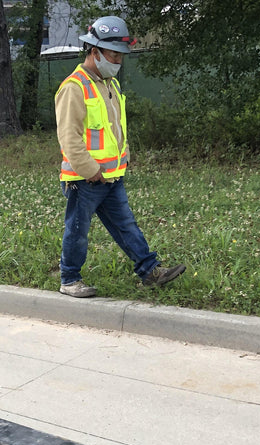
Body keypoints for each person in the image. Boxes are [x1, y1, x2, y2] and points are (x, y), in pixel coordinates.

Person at [55, 16, 185, 298]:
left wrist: (123, 159)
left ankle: (150, 271)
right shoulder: (74, 88)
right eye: (113, 54)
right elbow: (70, 138)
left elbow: (114, 131)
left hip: (111, 175)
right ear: (95, 51)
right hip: (84, 179)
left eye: (120, 55)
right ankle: (69, 279)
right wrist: (91, 170)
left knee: (126, 225)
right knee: (77, 231)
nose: (118, 61)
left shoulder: (109, 84)